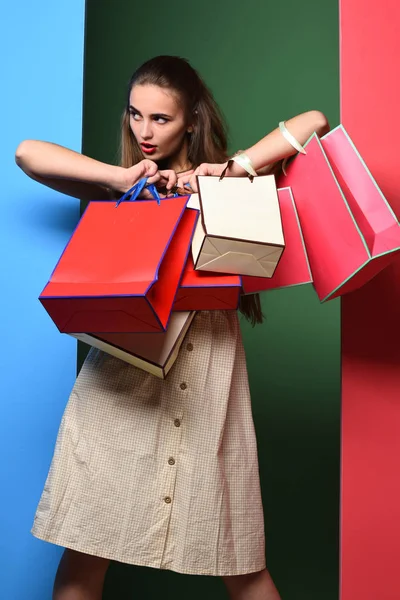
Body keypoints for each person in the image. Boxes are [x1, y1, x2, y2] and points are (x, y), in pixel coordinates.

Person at [15, 55, 329, 600]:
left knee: (239, 556)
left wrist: (231, 169)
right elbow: (26, 153)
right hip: (121, 378)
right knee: (85, 547)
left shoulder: (229, 184)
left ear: (191, 120)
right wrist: (120, 177)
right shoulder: (122, 187)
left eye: (160, 119)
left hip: (206, 378)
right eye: (135, 115)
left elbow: (316, 121)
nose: (144, 131)